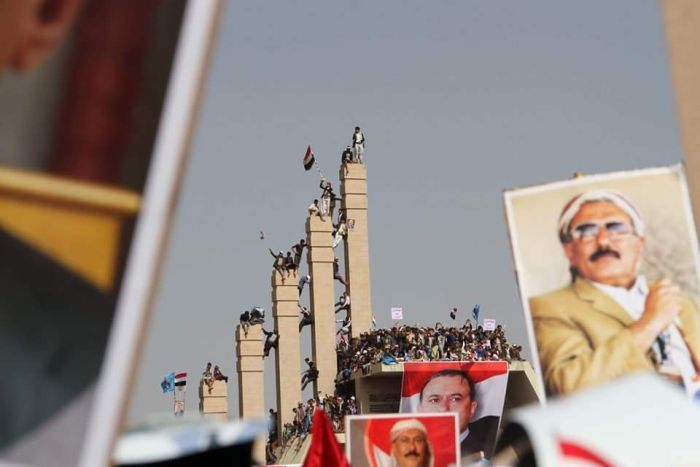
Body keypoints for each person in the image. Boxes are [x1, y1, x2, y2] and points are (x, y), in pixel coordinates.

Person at [529, 190, 700, 397]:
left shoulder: (681, 300)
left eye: (617, 228)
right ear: (570, 251)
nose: (603, 241)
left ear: (639, 244)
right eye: (586, 231)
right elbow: (570, 385)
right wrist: (649, 324)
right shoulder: (549, 307)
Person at [417, 369, 491, 457]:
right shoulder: (409, 455)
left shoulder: (489, 457)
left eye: (455, 399)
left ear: (472, 409)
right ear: (420, 410)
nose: (444, 409)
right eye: (434, 400)